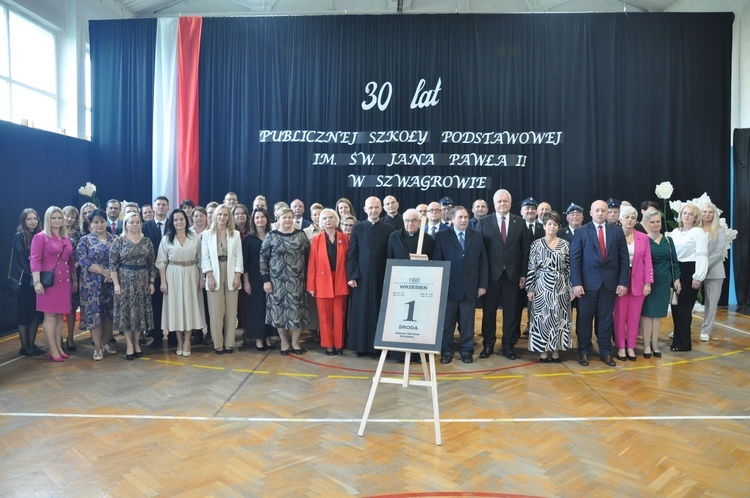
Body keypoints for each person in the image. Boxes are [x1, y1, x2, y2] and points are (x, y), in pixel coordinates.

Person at [570, 199, 630, 367]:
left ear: (608, 213)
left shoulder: (617, 232)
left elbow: (624, 259)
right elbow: (575, 260)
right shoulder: (581, 232)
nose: (601, 213)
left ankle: (605, 352)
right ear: (591, 213)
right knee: (584, 320)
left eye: (604, 210)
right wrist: (576, 283)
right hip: (586, 285)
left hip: (610, 284)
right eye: (597, 210)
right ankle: (583, 352)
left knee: (605, 320)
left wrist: (623, 282)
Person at [476, 188, 530, 360]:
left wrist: (523, 274)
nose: (502, 204)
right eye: (499, 201)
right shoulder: (484, 222)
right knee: (489, 312)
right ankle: (488, 345)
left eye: (505, 201)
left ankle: (508, 346)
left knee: (511, 313)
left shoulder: (520, 222)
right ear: (494, 204)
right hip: (491, 277)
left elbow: (525, 251)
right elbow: (480, 253)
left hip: (513, 276)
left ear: (510, 203)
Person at [433, 206, 488, 364]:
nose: (463, 220)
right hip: (449, 289)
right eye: (460, 217)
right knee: (447, 323)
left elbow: (483, 261)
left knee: (467, 323)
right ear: (452, 219)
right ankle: (446, 352)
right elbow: (437, 262)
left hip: (470, 288)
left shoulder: (476, 236)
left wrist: (482, 285)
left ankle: (466, 352)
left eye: (465, 217)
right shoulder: (442, 236)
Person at [346, 196, 395, 356]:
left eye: (376, 207)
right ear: (365, 209)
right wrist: (352, 275)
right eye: (370, 207)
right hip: (362, 278)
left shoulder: (388, 229)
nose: (374, 210)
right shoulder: (358, 228)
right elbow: (352, 254)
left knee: (379, 311)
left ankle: (378, 346)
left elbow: (390, 254)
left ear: (381, 209)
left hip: (382, 277)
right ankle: (360, 346)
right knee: (361, 312)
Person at [386, 209, 435, 363]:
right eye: (407, 220)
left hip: (421, 288)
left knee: (419, 321)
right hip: (400, 287)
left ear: (420, 222)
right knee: (401, 322)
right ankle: (400, 354)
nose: (410, 224)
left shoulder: (427, 239)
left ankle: (420, 355)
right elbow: (389, 259)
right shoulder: (394, 237)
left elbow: (433, 263)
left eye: (413, 220)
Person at [260, 208, 310, 355]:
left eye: (290, 217)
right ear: (278, 218)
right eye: (284, 217)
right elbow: (263, 260)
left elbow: (308, 256)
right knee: (279, 313)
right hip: (277, 283)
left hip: (297, 282)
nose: (287, 220)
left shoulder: (301, 235)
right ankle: (284, 342)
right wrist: (266, 280)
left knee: (296, 313)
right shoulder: (271, 236)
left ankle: (295, 343)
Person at [30, 206, 77, 362]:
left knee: (58, 317)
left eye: (59, 218)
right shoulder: (40, 237)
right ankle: (52, 349)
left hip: (64, 281)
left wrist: (74, 279)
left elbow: (70, 261)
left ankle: (58, 347)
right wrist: (37, 282)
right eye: (53, 218)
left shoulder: (65, 237)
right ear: (47, 220)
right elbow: (35, 260)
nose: (57, 221)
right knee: (49, 316)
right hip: (49, 282)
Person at [525, 211, 572, 363]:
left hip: (561, 286)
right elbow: (532, 267)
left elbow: (570, 269)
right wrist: (530, 288)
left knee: (559, 318)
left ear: (558, 227)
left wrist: (570, 288)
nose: (552, 226)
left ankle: (556, 350)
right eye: (549, 224)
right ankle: (543, 350)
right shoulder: (536, 244)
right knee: (542, 319)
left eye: (555, 224)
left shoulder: (565, 244)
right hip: (542, 286)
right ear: (544, 226)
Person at [157, 209, 204, 357]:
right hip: (173, 274)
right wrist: (163, 282)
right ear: (172, 222)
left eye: (181, 219)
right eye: (176, 220)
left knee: (189, 307)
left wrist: (201, 278)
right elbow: (161, 262)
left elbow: (201, 259)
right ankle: (179, 340)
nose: (179, 222)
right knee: (175, 308)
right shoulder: (166, 239)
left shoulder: (194, 237)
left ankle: (188, 340)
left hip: (191, 273)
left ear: (186, 220)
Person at [110, 212, 156, 360]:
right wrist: (116, 284)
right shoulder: (119, 241)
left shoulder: (147, 241)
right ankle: (129, 344)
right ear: (126, 225)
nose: (134, 225)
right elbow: (113, 265)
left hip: (142, 282)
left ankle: (137, 343)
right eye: (131, 222)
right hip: (124, 282)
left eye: (137, 222)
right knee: (127, 315)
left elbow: (151, 264)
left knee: (139, 315)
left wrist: (151, 282)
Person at [612, 205, 654, 361]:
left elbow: (648, 261)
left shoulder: (643, 237)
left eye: (632, 217)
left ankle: (631, 346)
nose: (629, 220)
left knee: (634, 316)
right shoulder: (614, 236)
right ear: (620, 219)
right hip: (619, 281)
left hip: (638, 281)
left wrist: (648, 282)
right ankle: (621, 346)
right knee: (620, 315)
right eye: (626, 217)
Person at [202, 204, 244, 354]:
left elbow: (239, 257)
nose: (222, 217)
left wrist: (238, 275)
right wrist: (209, 275)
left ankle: (229, 343)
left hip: (231, 272)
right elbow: (204, 257)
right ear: (215, 216)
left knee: (231, 311)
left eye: (225, 215)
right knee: (216, 311)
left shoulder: (235, 234)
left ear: (229, 218)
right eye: (220, 214)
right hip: (214, 273)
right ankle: (218, 344)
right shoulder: (207, 234)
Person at [307, 208, 350, 355]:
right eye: (324, 218)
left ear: (336, 220)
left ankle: (338, 344)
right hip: (322, 282)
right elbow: (312, 264)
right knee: (324, 317)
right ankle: (328, 345)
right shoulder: (316, 240)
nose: (328, 220)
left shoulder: (344, 238)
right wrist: (311, 286)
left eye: (331, 217)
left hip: (340, 281)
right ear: (321, 222)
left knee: (339, 316)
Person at [640, 210, 681, 358]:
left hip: (664, 282)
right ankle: (645, 345)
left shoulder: (668, 241)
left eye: (658, 221)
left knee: (657, 315)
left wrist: (676, 279)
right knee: (646, 314)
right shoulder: (643, 240)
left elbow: (674, 262)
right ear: (646, 224)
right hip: (648, 282)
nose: (656, 224)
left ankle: (654, 344)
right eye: (652, 222)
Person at [76, 208, 115, 361]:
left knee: (108, 314)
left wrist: (111, 273)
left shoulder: (115, 239)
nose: (99, 225)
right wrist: (103, 271)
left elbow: (119, 259)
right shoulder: (84, 240)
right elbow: (84, 261)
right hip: (91, 284)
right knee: (95, 315)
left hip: (110, 282)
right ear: (90, 224)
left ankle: (106, 343)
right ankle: (97, 348)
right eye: (96, 222)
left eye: (102, 221)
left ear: (107, 222)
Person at [669, 203, 708, 351]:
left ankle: (683, 343)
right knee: (675, 307)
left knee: (684, 308)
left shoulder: (698, 232)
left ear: (695, 217)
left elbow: (702, 255)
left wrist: (698, 277)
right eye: (684, 213)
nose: (687, 215)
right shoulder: (674, 232)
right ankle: (678, 341)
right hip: (676, 271)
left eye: (690, 214)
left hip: (690, 271)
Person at [242, 208, 276, 350]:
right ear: (253, 220)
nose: (260, 220)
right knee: (257, 309)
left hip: (271, 278)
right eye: (257, 217)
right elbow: (245, 263)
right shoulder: (248, 239)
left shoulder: (273, 236)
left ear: (267, 219)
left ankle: (268, 337)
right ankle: (259, 340)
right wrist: (246, 281)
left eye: (262, 217)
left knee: (269, 308)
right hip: (254, 279)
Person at [12, 208, 43, 356]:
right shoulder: (19, 236)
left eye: (35, 218)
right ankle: (24, 346)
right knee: (24, 313)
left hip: (40, 279)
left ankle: (32, 344)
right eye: (29, 219)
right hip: (26, 280)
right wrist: (33, 274)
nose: (33, 221)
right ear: (23, 221)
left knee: (36, 313)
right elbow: (21, 259)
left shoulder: (41, 235)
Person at [142, 196, 170, 348]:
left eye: (163, 205)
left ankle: (173, 336)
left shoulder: (173, 224)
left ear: (168, 208)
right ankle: (157, 337)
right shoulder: (145, 227)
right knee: (156, 306)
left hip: (172, 272)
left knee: (172, 305)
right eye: (158, 204)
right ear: (153, 208)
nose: (160, 207)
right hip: (153, 273)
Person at [699, 203, 727, 342]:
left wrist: (703, 264)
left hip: (714, 270)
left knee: (711, 303)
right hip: (695, 270)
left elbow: (719, 251)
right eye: (704, 211)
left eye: (710, 212)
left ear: (714, 214)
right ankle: (680, 329)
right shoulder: (695, 228)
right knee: (686, 301)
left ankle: (706, 330)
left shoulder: (719, 230)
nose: (707, 214)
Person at [62, 205, 81, 352]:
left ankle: (70, 337)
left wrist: (74, 266)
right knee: (56, 308)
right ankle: (57, 338)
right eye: (67, 215)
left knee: (71, 307)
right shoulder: (54, 232)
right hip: (57, 274)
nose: (69, 219)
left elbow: (81, 255)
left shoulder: (78, 234)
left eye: (72, 217)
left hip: (74, 273)